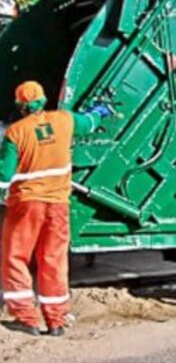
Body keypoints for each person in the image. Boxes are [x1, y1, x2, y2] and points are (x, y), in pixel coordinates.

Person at [0, 81, 110, 337]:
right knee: (54, 260)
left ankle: (26, 318)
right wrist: (100, 111)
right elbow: (90, 123)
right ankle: (56, 321)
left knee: (15, 257)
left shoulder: (15, 133)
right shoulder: (64, 120)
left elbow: (4, 177)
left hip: (27, 205)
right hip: (58, 206)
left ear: (20, 105)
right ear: (43, 99)